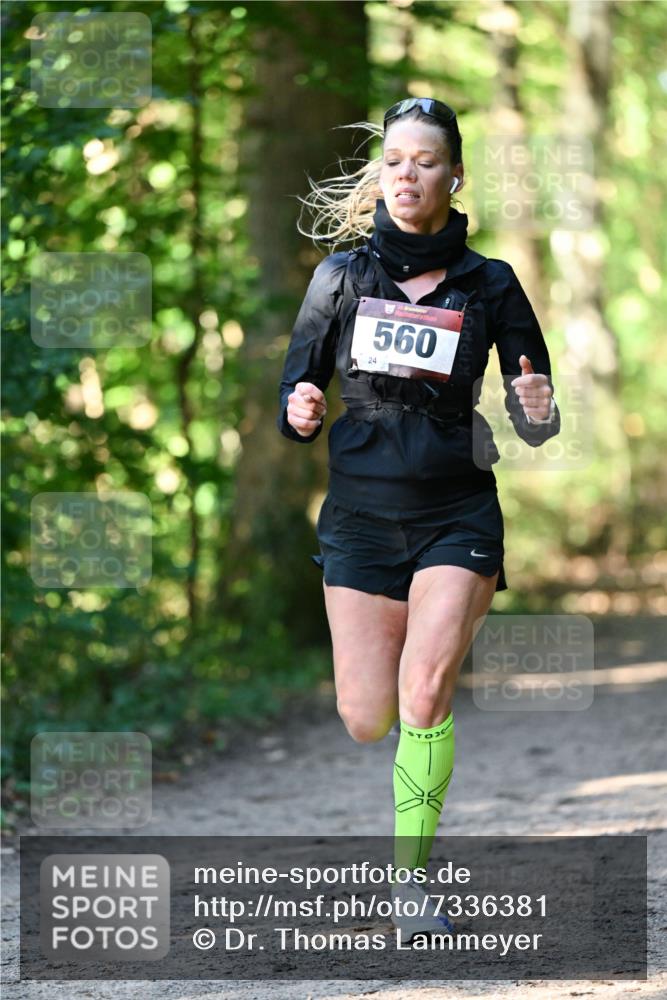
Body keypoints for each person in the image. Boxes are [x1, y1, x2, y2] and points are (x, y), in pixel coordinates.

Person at [276, 97, 560, 938]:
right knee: (367, 717)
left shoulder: (489, 283)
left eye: (425, 162)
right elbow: (297, 393)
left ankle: (409, 886)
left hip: (455, 514)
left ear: (453, 176)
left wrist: (537, 407)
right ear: (379, 177)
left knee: (425, 692)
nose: (407, 175)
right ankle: (408, 771)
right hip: (360, 517)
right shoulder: (339, 278)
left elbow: (536, 415)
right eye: (394, 161)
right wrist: (297, 408)